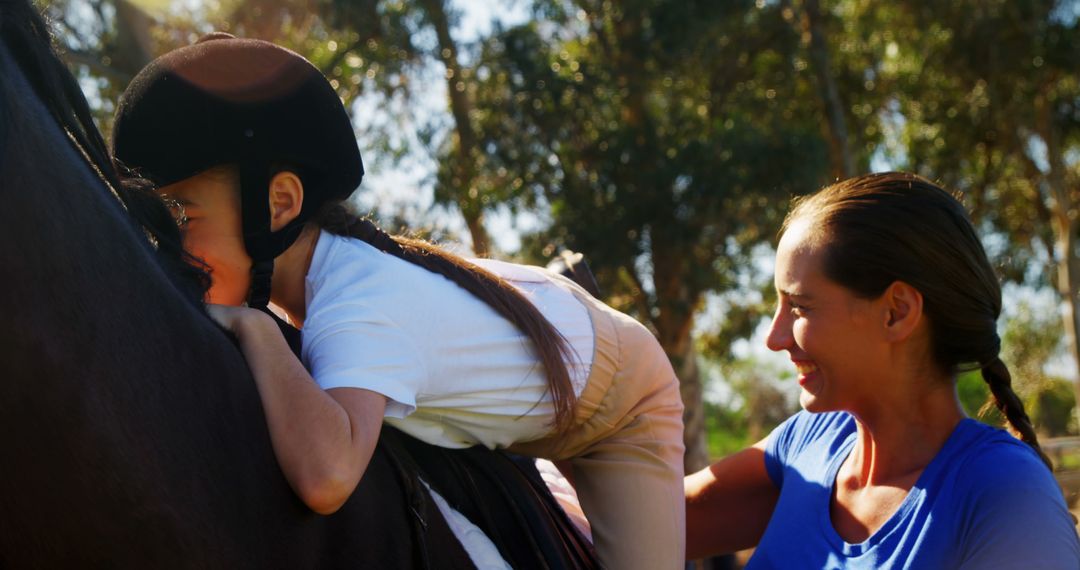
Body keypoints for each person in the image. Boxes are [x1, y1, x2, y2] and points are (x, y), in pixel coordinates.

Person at [111, 34, 685, 569]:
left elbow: (328, 478)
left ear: (279, 203)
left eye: (182, 214)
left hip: (619, 405)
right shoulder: (333, 282)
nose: (167, 243)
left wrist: (255, 330)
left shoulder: (356, 305)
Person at [685, 172, 1080, 568]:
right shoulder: (807, 445)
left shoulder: (1006, 492)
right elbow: (645, 523)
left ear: (896, 312)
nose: (775, 338)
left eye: (800, 307)